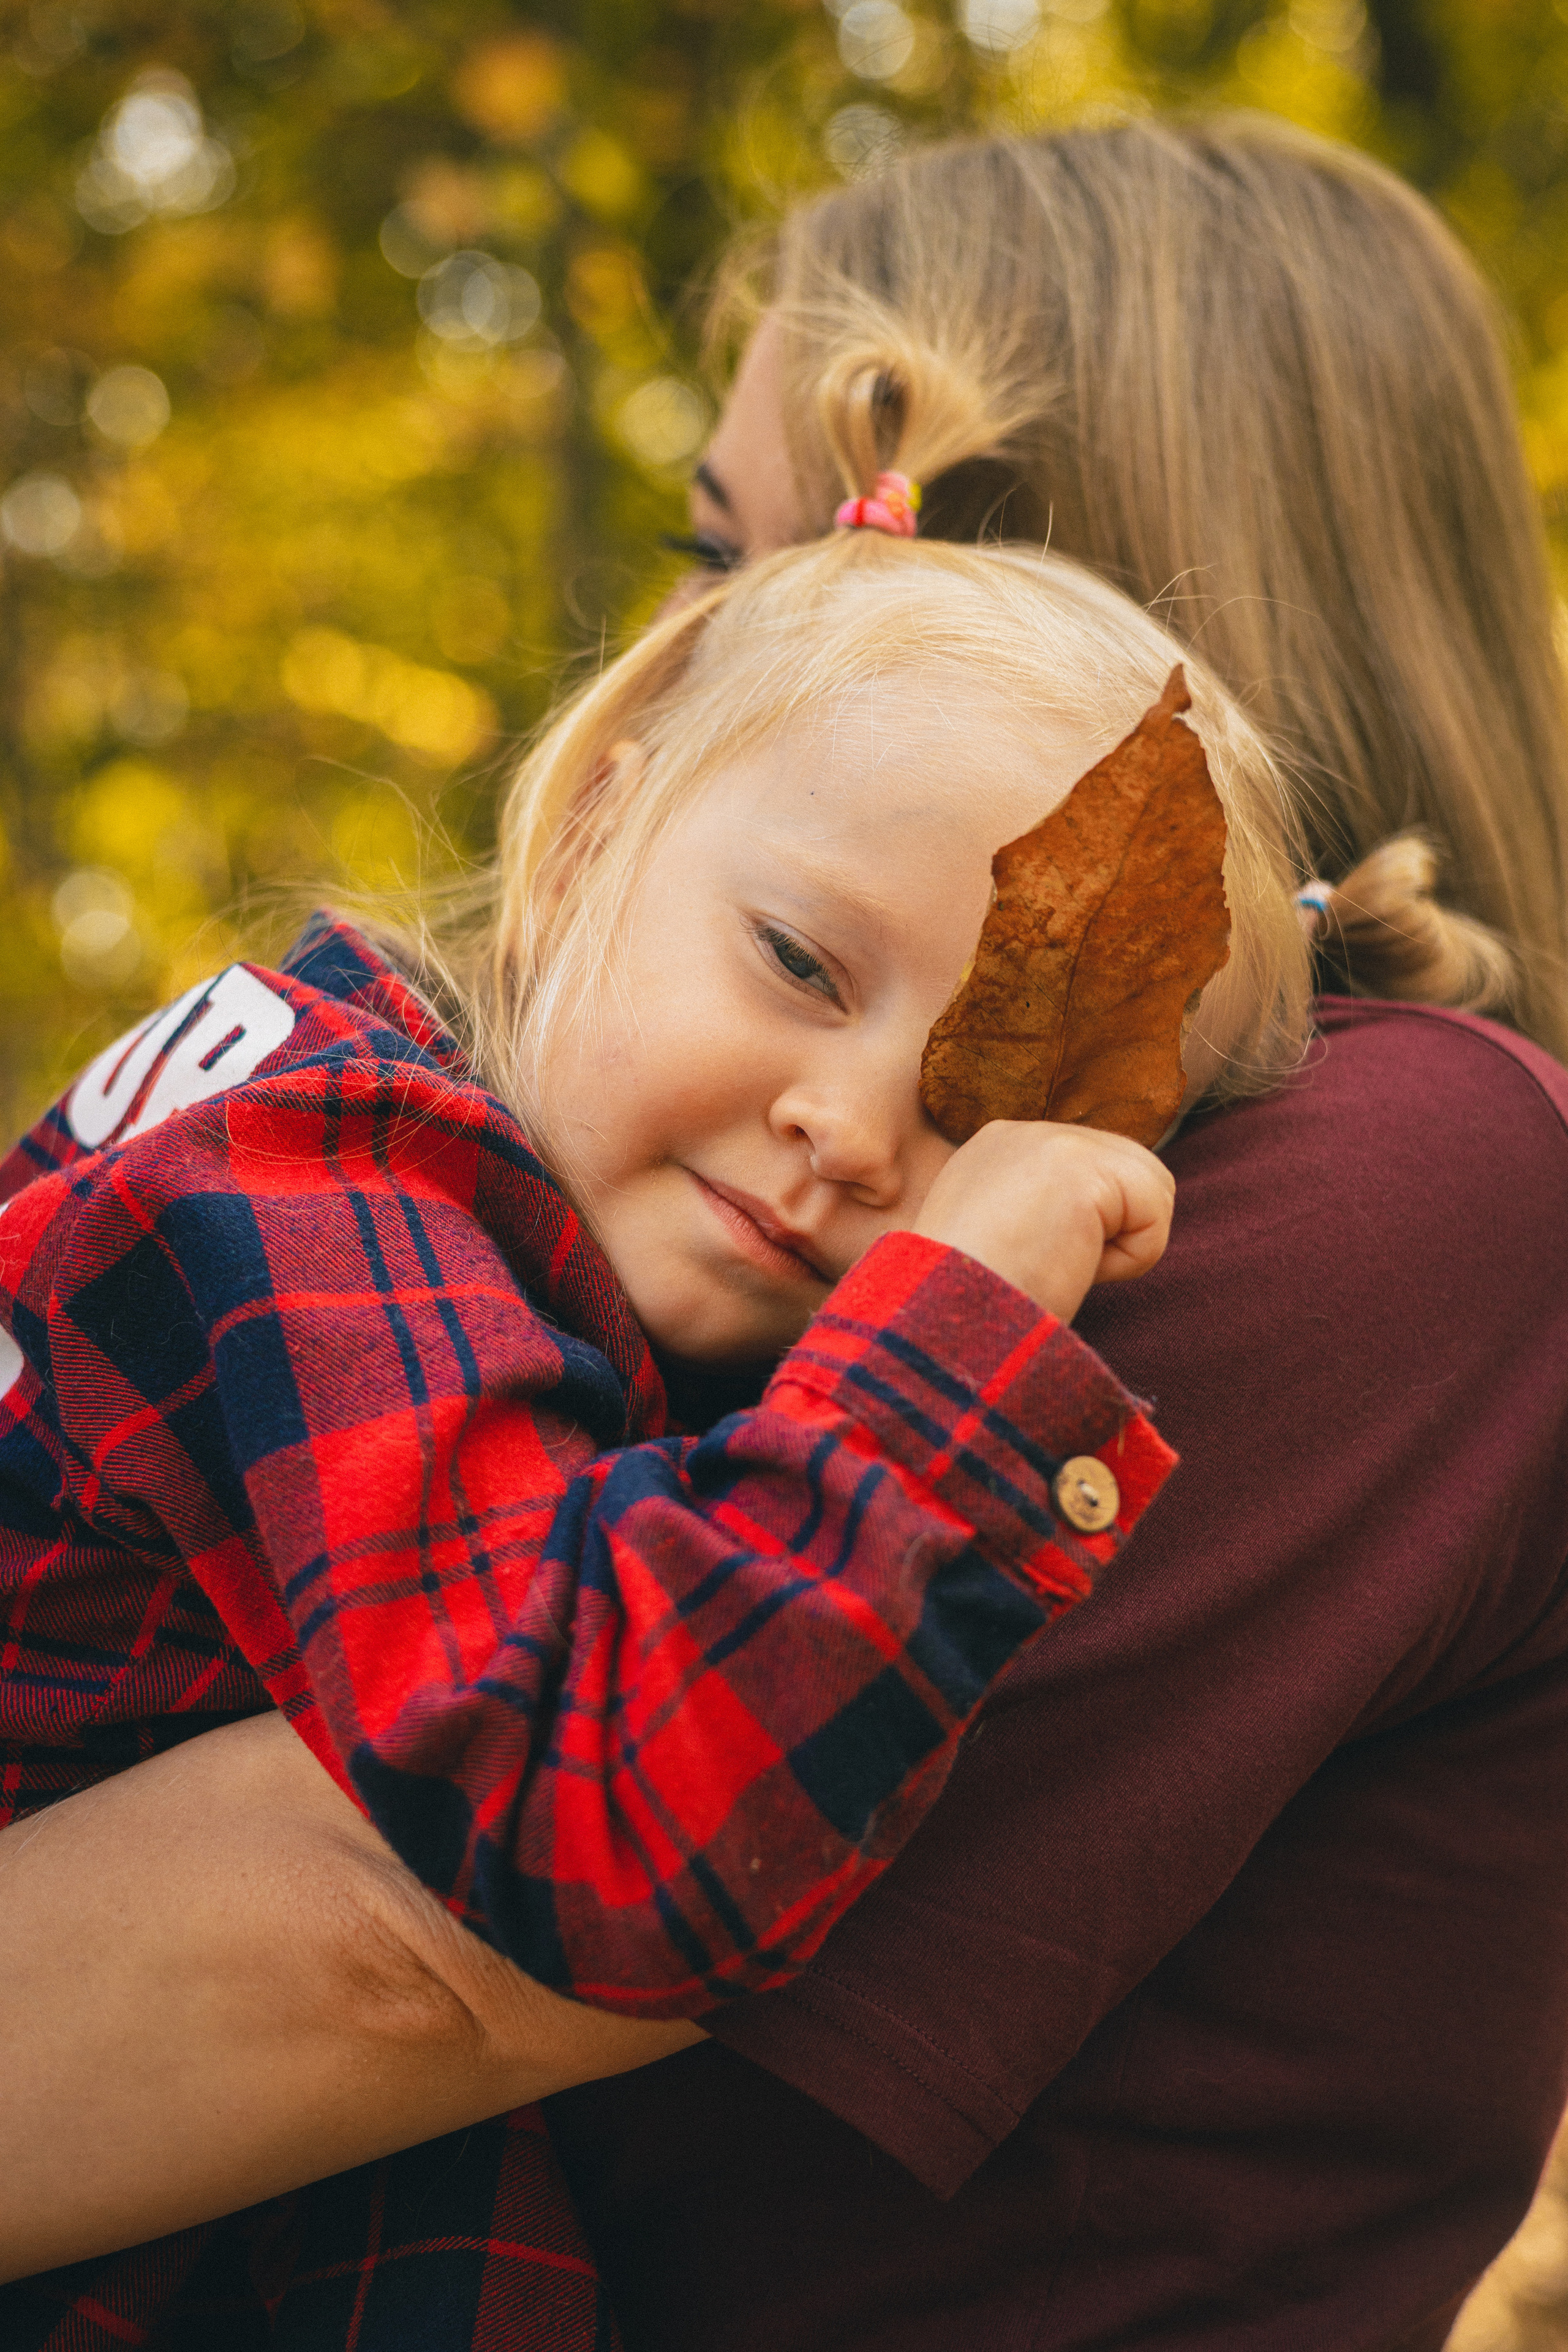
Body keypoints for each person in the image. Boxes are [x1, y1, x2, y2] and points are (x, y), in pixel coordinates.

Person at [6, 110, 1568, 2351]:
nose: (666, 653)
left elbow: (395, 1955)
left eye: (764, 567)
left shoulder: (1402, 1180)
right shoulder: (375, 1169)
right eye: (718, 551)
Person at [0, 516, 1313, 2342]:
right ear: (595, 826)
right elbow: (597, 1825)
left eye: (989, 1112)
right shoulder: (305, 1185)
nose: (856, 1130)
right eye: (799, 960)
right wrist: (970, 1333)